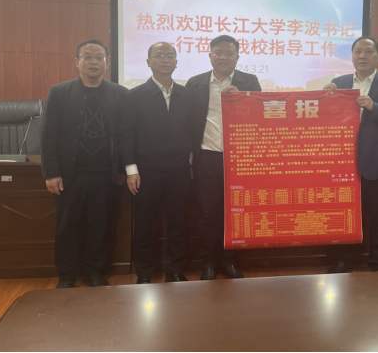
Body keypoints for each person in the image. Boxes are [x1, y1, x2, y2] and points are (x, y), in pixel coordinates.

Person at [40, 40, 128, 289]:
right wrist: (51, 173)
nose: (93, 62)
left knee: (100, 225)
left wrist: (122, 169)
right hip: (70, 175)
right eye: (87, 57)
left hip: (105, 175)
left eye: (99, 57)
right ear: (77, 62)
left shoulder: (120, 94)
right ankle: (67, 274)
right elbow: (48, 135)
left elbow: (124, 135)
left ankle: (93, 271)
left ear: (107, 63)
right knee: (67, 226)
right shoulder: (59, 92)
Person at [324, 37, 378, 273]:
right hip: (343, 164)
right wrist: (324, 97)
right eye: (358, 51)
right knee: (346, 215)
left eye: (368, 51)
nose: (362, 56)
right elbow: (324, 119)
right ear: (352, 56)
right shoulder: (338, 83)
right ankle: (343, 260)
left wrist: (375, 107)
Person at [186, 35, 262, 281]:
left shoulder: (249, 81)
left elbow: (260, 114)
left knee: (235, 212)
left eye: (229, 53)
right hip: (207, 157)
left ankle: (230, 260)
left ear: (237, 57)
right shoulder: (195, 83)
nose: (223, 57)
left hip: (239, 159)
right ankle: (208, 262)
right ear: (210, 56)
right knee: (208, 212)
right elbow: (187, 122)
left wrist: (242, 97)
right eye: (218, 52)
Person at [119, 42, 195, 284]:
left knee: (178, 224)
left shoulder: (187, 95)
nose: (164, 59)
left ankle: (175, 271)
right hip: (146, 171)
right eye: (159, 55)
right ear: (148, 62)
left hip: (179, 170)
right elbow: (126, 134)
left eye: (169, 56)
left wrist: (191, 164)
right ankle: (144, 273)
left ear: (176, 62)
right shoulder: (135, 95)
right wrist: (131, 170)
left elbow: (193, 131)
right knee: (144, 225)